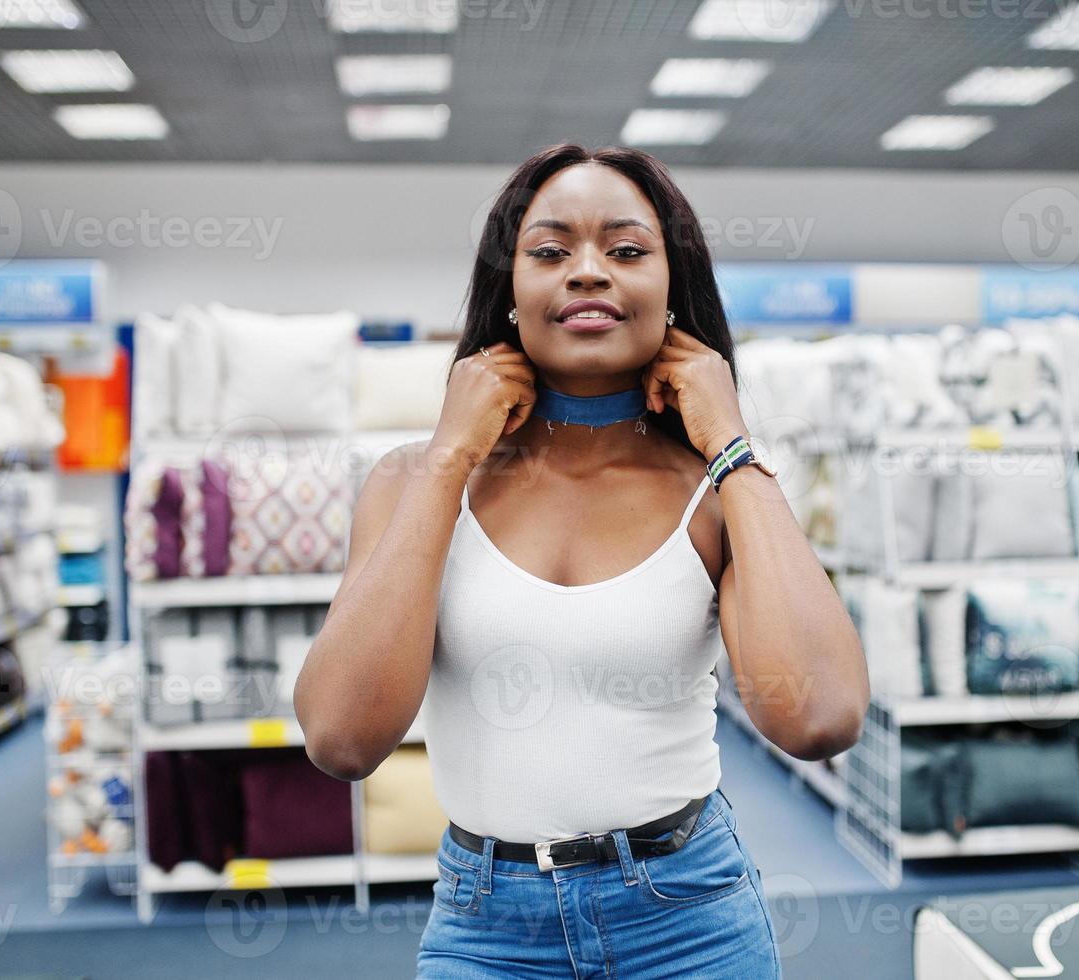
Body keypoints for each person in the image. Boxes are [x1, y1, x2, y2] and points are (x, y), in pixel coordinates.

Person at [295, 143, 868, 978]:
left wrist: (731, 446)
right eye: (551, 250)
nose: (589, 272)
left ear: (674, 290)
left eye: (628, 250)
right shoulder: (407, 483)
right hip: (486, 931)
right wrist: (450, 456)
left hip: (690, 922)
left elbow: (819, 718)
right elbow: (342, 738)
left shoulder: (714, 491)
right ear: (509, 291)